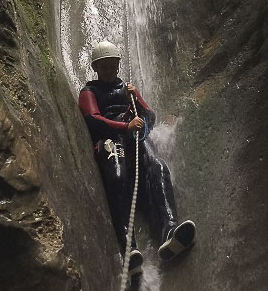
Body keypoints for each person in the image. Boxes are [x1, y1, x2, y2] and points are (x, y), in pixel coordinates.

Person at [78, 40, 196, 276]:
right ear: (96, 68)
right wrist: (125, 126)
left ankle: (170, 230)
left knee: (159, 168)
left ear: (118, 65)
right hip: (111, 140)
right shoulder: (89, 91)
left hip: (134, 139)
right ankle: (128, 247)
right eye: (105, 66)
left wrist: (137, 99)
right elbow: (93, 119)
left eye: (113, 65)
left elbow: (150, 118)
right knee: (118, 176)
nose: (110, 71)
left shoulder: (126, 89)